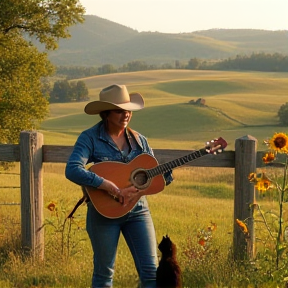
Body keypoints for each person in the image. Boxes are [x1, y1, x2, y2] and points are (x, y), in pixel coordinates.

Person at [65, 84, 173, 288]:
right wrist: (110, 187)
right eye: (119, 110)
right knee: (104, 276)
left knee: (151, 274)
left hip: (139, 211)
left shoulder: (140, 140)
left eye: (128, 110)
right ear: (106, 113)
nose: (126, 114)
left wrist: (163, 174)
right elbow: (72, 169)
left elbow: (155, 177)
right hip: (103, 214)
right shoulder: (89, 138)